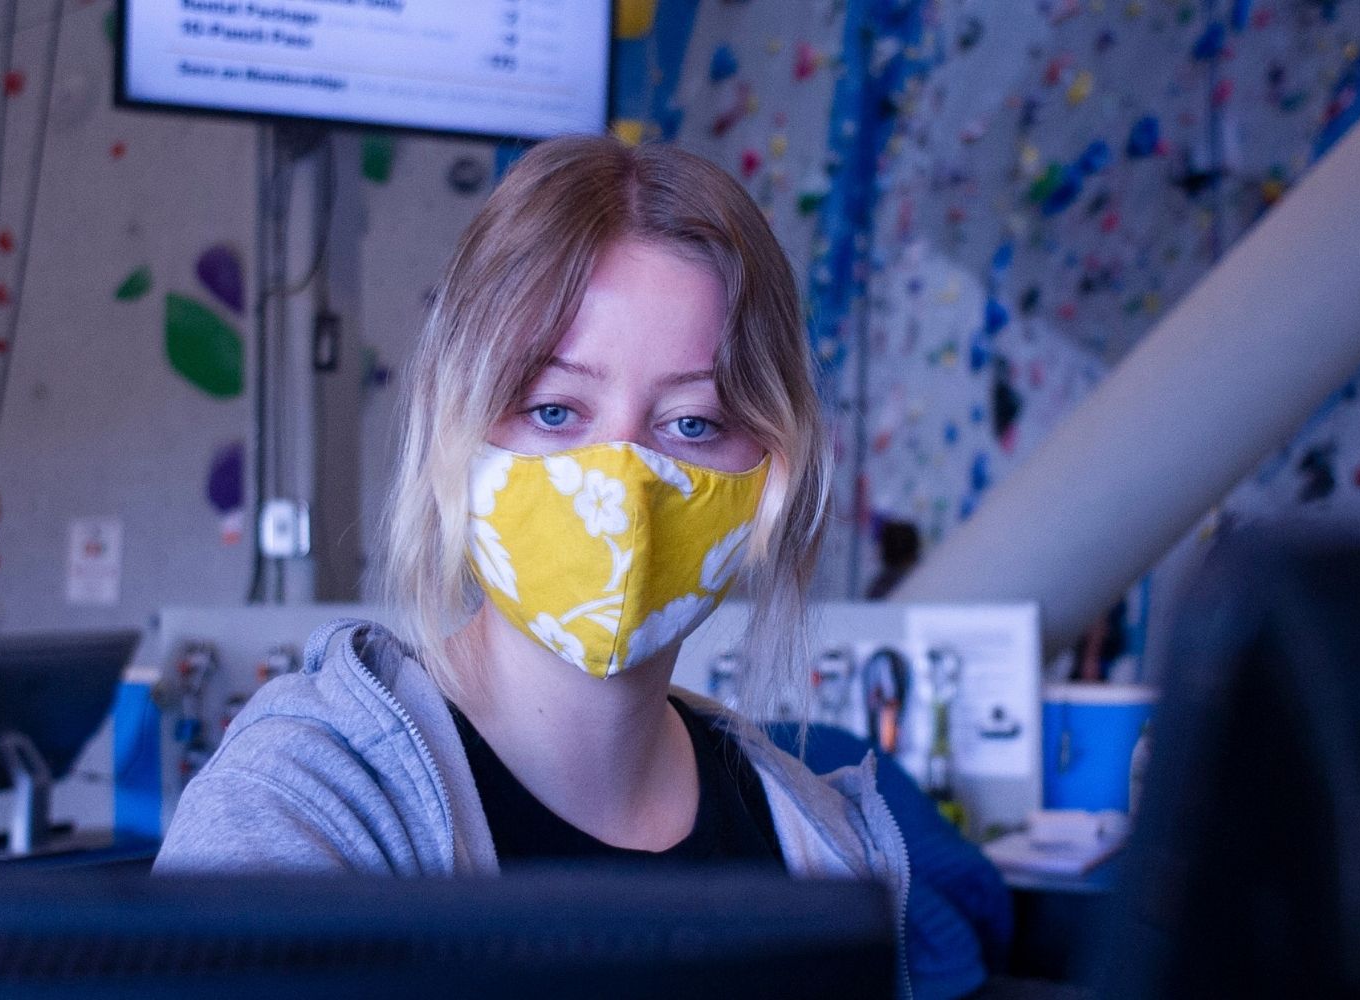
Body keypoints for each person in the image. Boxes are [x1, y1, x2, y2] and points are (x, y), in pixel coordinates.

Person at [156, 136, 915, 991]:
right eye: (555, 411)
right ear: (455, 428)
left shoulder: (819, 840)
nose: (622, 482)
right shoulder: (308, 799)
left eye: (692, 424)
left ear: (770, 474)